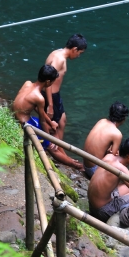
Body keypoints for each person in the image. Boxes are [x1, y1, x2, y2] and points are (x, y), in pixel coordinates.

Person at [44, 34, 87, 169]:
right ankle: (62, 155)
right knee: (55, 126)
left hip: (56, 95)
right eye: (79, 53)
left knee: (62, 120)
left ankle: (61, 148)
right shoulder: (59, 59)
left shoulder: (57, 52)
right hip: (50, 95)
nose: (79, 56)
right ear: (74, 49)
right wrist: (50, 105)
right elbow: (48, 82)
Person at [12, 64, 60, 149]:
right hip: (24, 124)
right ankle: (71, 162)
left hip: (15, 116)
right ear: (48, 82)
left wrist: (50, 122)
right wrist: (48, 140)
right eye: (53, 82)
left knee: (52, 126)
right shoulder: (39, 98)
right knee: (51, 142)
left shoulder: (27, 83)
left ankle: (71, 161)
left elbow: (34, 108)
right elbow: (42, 122)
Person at [83, 101, 129, 179]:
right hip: (93, 170)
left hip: (86, 165)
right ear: (124, 118)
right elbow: (111, 159)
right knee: (119, 160)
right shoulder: (117, 134)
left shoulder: (101, 121)